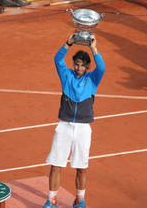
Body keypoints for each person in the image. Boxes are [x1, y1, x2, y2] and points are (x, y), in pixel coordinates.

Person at [43, 36, 105, 208]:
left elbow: (102, 67)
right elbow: (57, 59)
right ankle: (51, 200)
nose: (78, 68)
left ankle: (79, 200)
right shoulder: (66, 76)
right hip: (64, 126)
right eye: (76, 64)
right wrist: (68, 43)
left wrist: (94, 49)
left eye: (82, 65)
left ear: (87, 67)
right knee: (56, 165)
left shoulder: (93, 79)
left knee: (82, 167)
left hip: (84, 129)